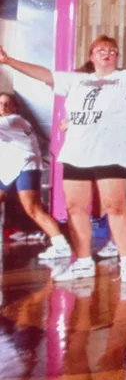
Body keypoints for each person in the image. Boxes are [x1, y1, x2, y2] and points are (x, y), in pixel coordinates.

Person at [0, 36, 126, 282]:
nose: (107, 53)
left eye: (112, 51)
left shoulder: (123, 78)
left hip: (110, 151)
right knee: (75, 208)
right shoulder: (76, 80)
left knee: (115, 207)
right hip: (77, 153)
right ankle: (83, 262)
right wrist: (8, 61)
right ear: (91, 56)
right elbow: (44, 75)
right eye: (101, 50)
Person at [0, 91, 71, 260]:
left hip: (26, 167)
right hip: (11, 168)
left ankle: (61, 246)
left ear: (15, 107)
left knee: (33, 209)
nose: (3, 107)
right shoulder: (17, 123)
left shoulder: (13, 120)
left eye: (7, 103)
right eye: (0, 103)